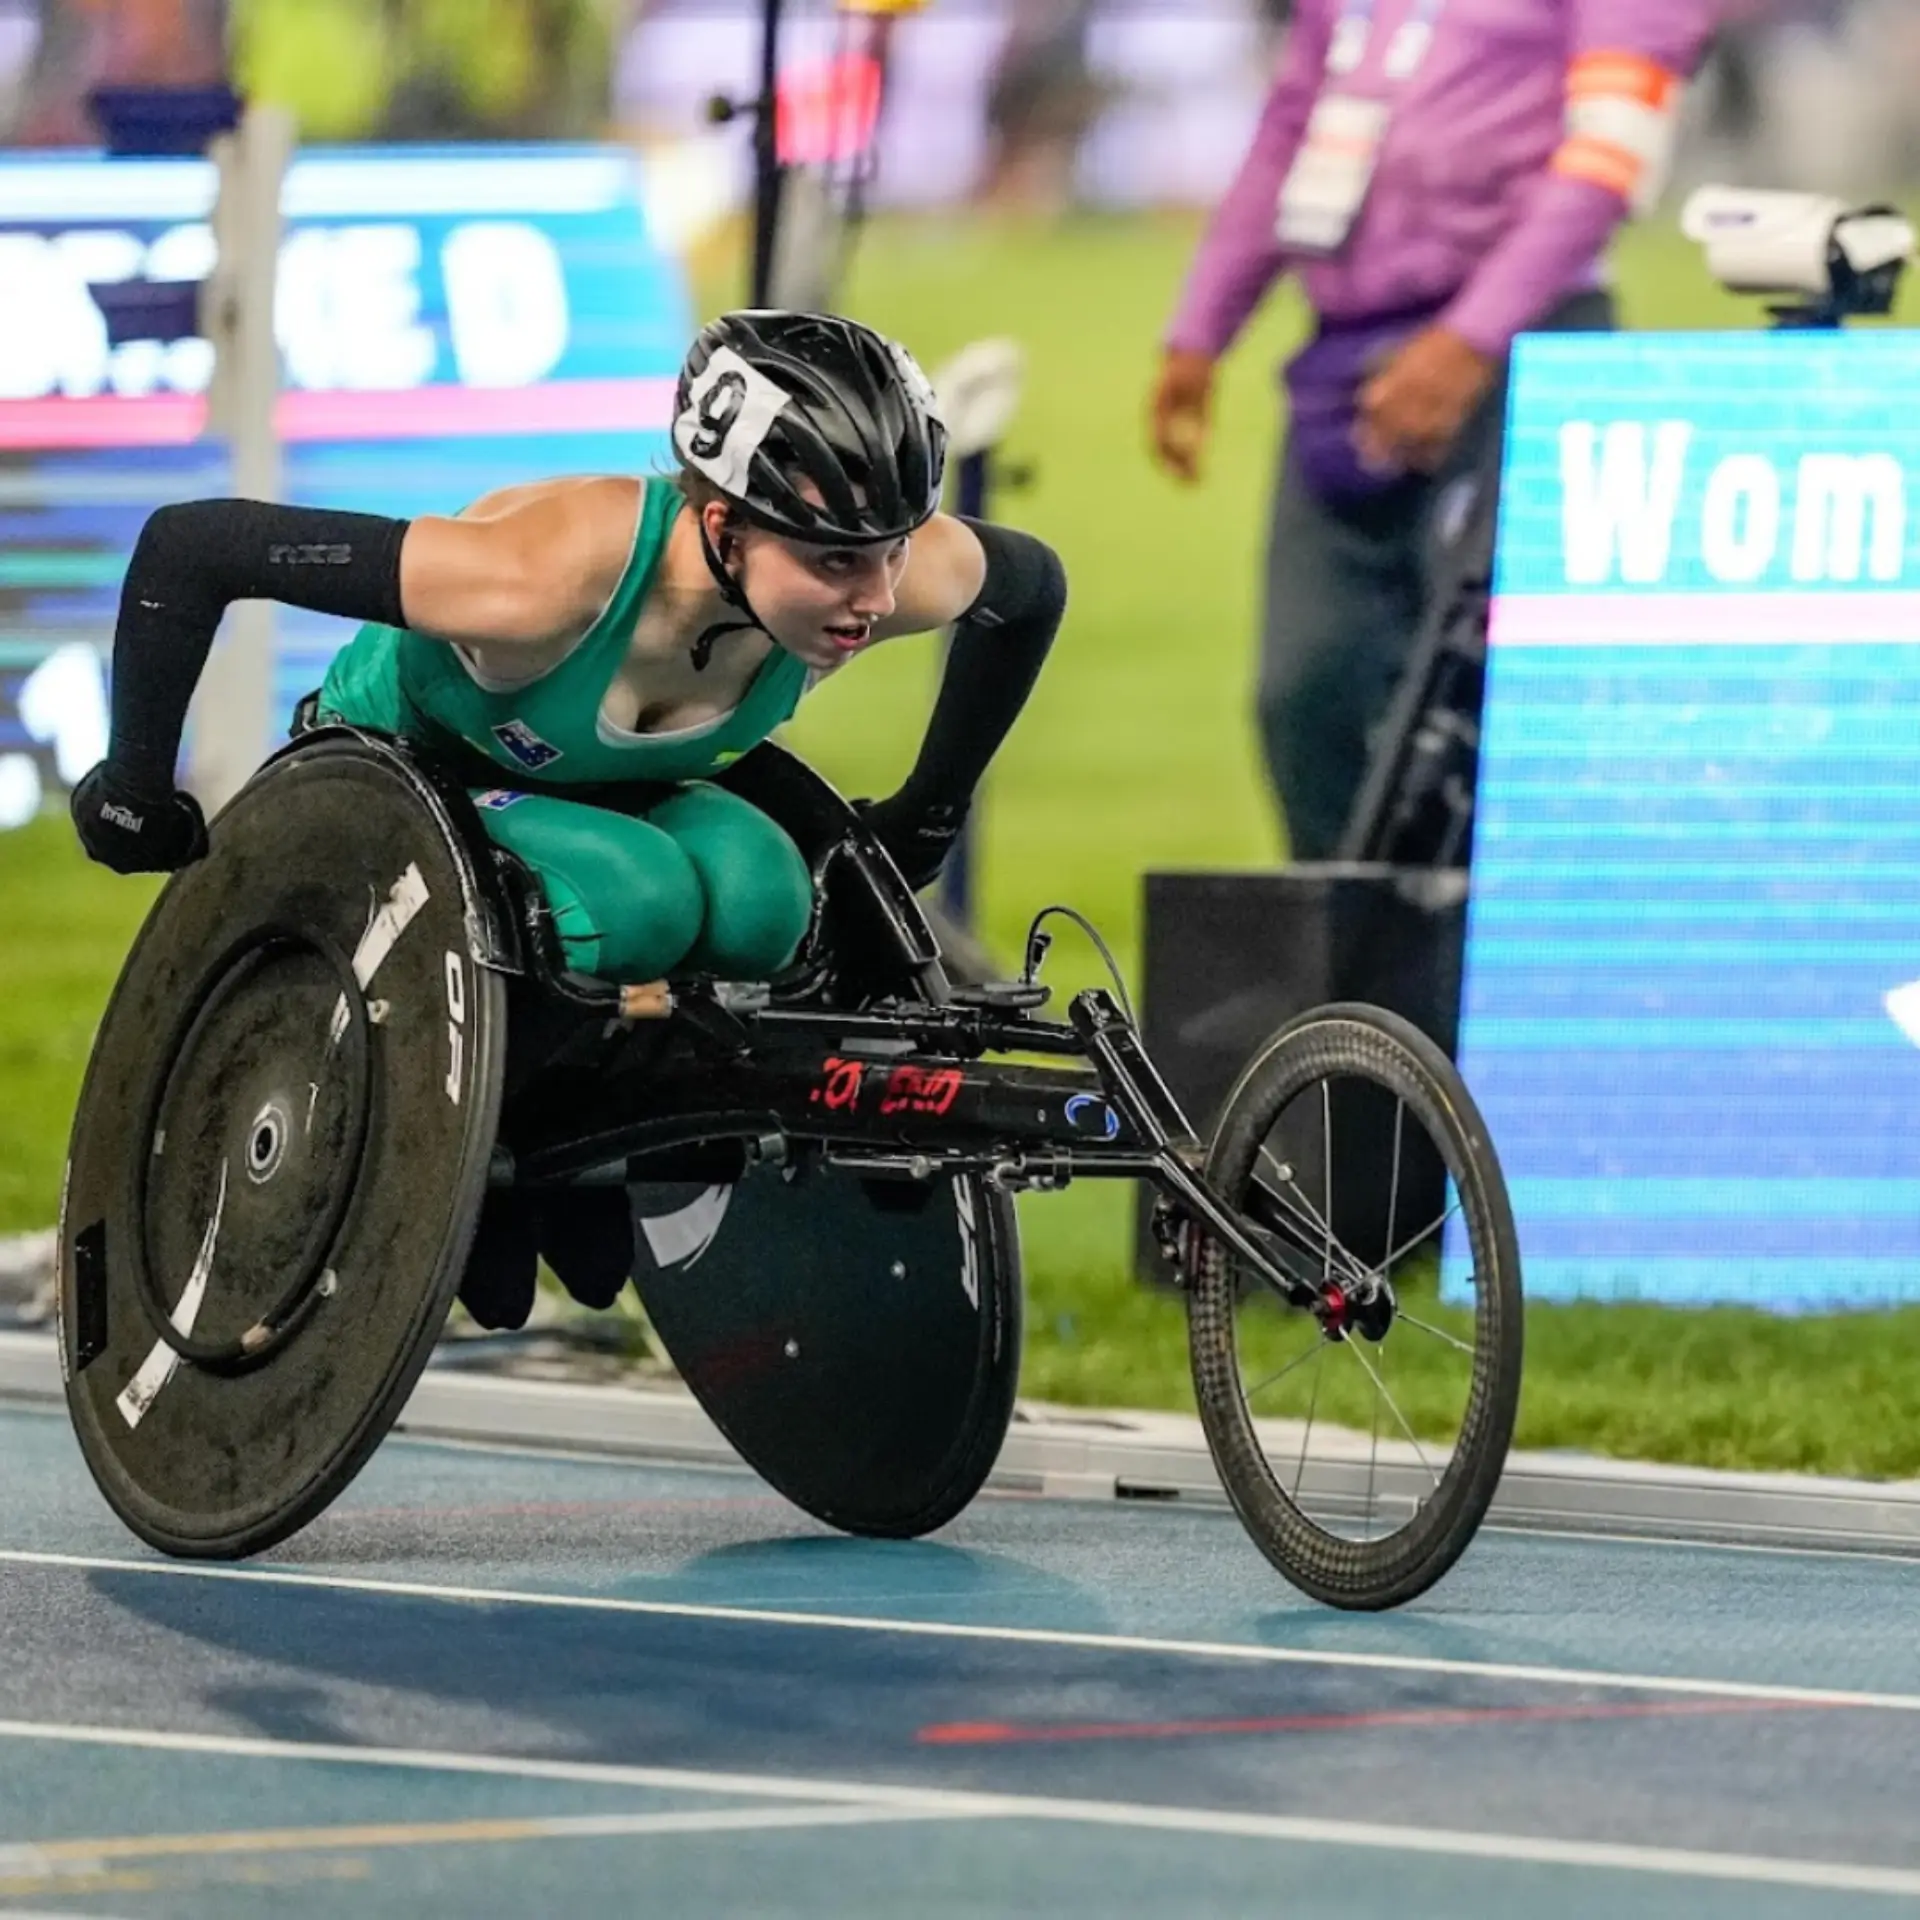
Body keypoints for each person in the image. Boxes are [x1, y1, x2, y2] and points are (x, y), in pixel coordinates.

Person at [70, 309, 1068, 997]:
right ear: (725, 525)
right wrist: (133, 786)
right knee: (640, 896)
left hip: (590, 792)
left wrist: (930, 811)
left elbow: (1031, 592)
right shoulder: (545, 577)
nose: (878, 599)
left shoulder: (868, 568)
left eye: (893, 552)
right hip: (410, 773)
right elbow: (191, 549)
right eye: (838, 562)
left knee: (769, 897)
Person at [1149, 0, 1719, 860]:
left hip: (1523, 348)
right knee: (1308, 695)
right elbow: (1292, 130)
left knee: (1489, 709)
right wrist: (1202, 326)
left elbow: (1609, 161)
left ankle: (1486, 966)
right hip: (1343, 357)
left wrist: (1471, 339)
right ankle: (1354, 971)